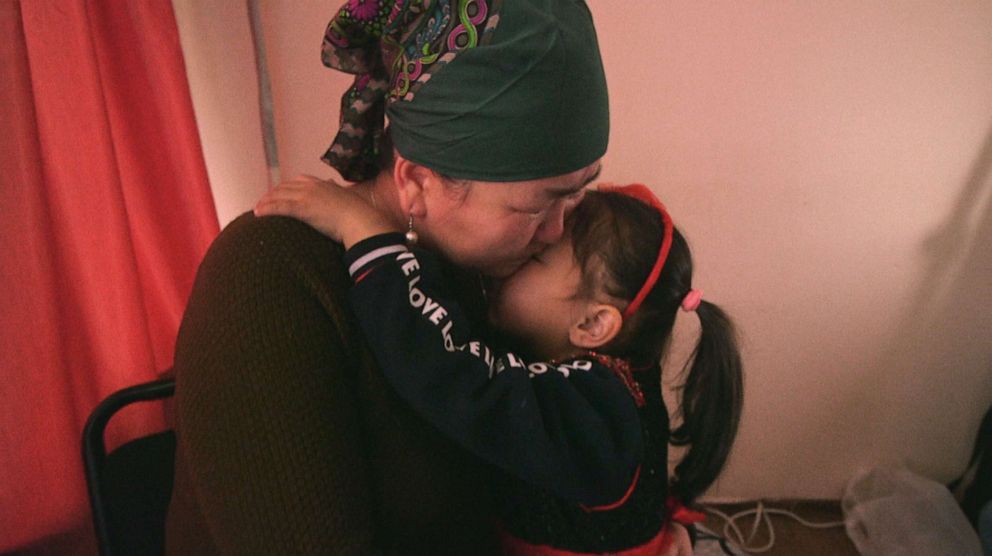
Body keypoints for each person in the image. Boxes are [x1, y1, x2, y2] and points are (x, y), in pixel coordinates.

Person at [164, 0, 669, 554]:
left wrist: (640, 532)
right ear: (418, 183)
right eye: (536, 207)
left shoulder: (493, 272)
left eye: (577, 194)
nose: (558, 233)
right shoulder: (268, 276)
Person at [253, 181, 744, 554]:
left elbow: (458, 375)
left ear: (593, 324)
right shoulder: (613, 378)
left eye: (536, 260)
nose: (518, 255)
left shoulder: (595, 403)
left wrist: (365, 233)